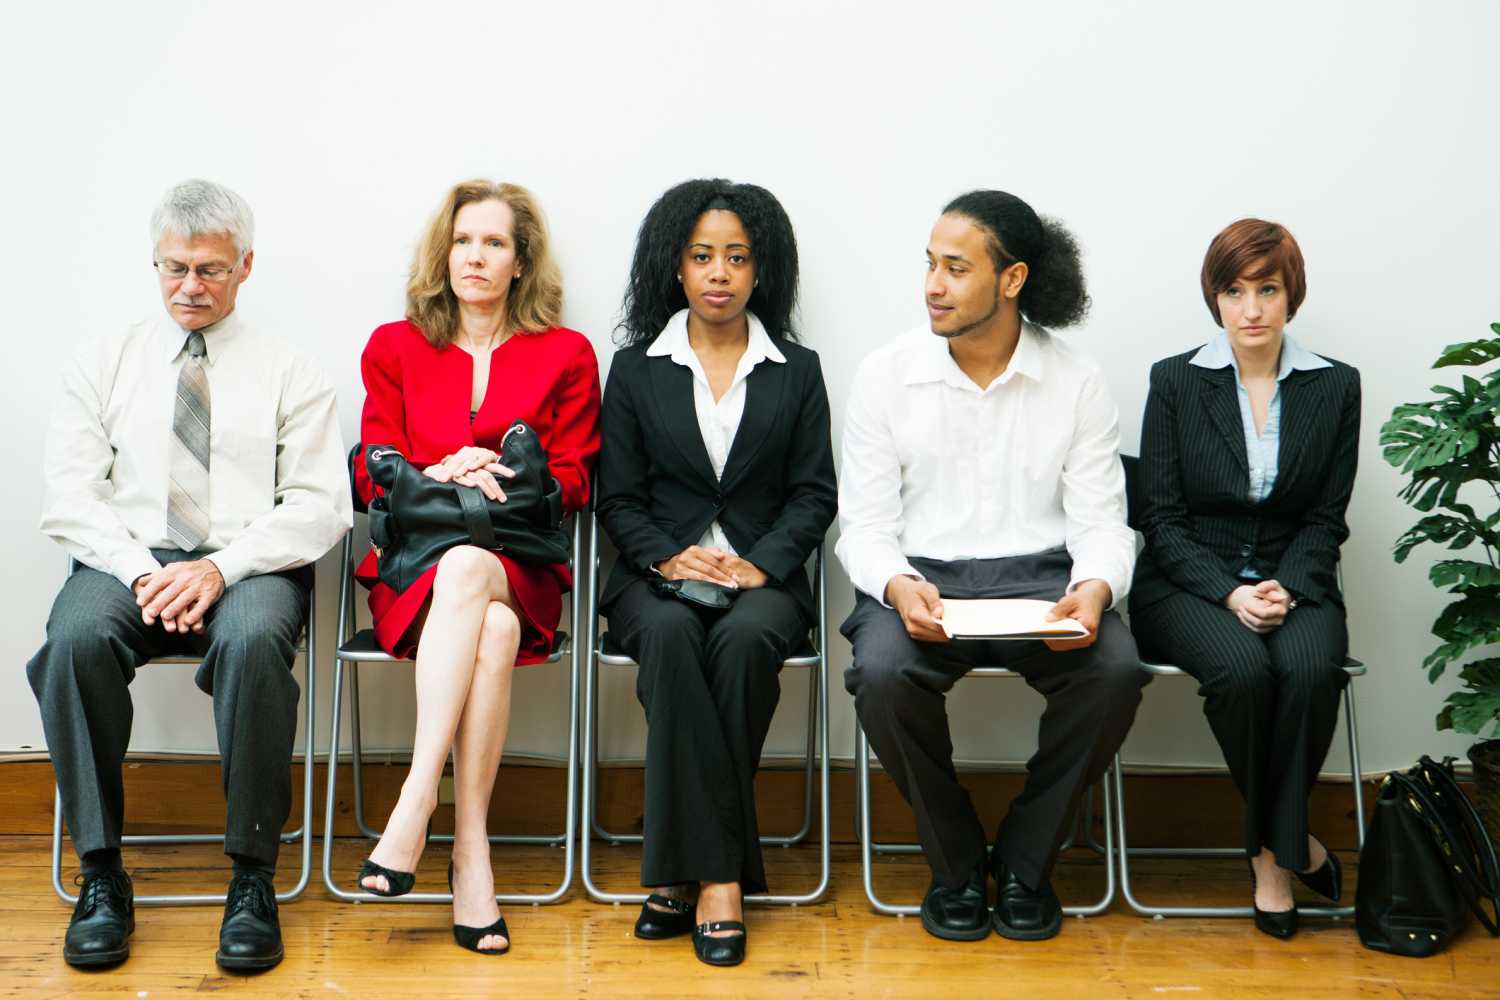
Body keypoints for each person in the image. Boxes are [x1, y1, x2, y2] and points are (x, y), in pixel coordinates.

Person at [27, 179, 351, 971]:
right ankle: (101, 873)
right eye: (174, 268)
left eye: (209, 269)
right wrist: (146, 574)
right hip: (128, 561)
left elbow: (320, 506)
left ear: (246, 266)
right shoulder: (104, 362)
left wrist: (218, 567)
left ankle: (253, 879)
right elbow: (70, 497)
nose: (190, 287)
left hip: (249, 563)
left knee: (254, 644)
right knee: (73, 641)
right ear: (155, 262)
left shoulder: (290, 370)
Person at [838, 190, 1144, 943]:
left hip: (1044, 580)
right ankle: (956, 863)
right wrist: (897, 584)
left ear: (1012, 280)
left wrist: (1095, 588)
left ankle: (1025, 862)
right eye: (930, 265)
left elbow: (1102, 522)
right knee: (882, 674)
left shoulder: (1076, 379)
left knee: (1113, 671)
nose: (932, 286)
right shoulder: (885, 375)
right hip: (922, 578)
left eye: (955, 268)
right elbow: (865, 527)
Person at [351, 179, 600, 955]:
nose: (476, 257)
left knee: (476, 576)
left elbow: (576, 478)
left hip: (519, 563)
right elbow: (368, 469)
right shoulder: (393, 346)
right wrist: (439, 471)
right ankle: (470, 853)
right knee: (488, 623)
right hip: (418, 569)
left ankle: (415, 802)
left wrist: (499, 472)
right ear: (445, 251)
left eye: (494, 243)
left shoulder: (567, 354)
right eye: (463, 240)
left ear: (520, 261)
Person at [595, 179, 837, 967]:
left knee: (741, 645)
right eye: (702, 256)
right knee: (669, 637)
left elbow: (814, 493)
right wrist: (667, 555)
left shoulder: (797, 369)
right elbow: (617, 498)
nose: (719, 273)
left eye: (737, 257)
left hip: (762, 583)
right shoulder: (636, 369)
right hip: (654, 579)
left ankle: (682, 873)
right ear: (676, 266)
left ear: (762, 271)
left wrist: (763, 565)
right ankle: (723, 879)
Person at [1129, 219, 1360, 940]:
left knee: (1312, 668)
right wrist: (1230, 593)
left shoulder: (1336, 386)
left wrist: (1286, 586)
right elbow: (1160, 517)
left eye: (1268, 289)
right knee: (1243, 671)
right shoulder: (1175, 380)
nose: (1251, 309)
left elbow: (1325, 517)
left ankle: (1270, 846)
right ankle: (1285, 854)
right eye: (1234, 292)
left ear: (1292, 295)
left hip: (1296, 576)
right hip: (1186, 582)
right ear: (1215, 298)